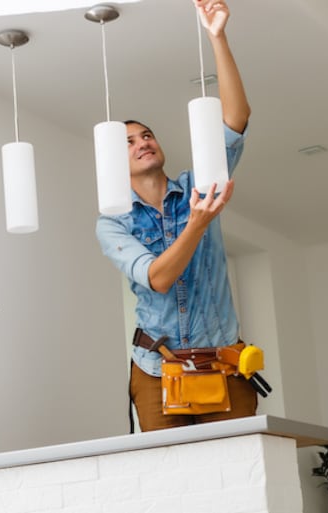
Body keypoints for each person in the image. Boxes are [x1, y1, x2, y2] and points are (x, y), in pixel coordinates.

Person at [95, 0, 254, 432]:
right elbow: (159, 278)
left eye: (146, 135)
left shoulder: (201, 185)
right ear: (114, 162)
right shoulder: (112, 223)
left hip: (224, 362)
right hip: (154, 369)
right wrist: (197, 224)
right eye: (128, 141)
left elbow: (235, 119)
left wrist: (216, 36)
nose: (142, 142)